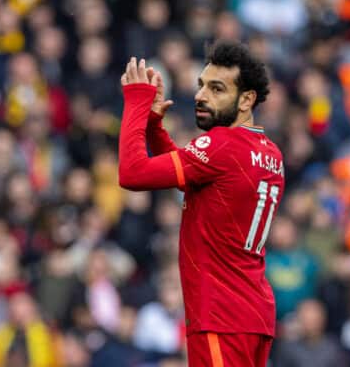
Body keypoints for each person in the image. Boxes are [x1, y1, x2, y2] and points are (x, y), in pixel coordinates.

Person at [118, 42, 285, 366]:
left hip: (220, 316)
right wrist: (154, 126)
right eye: (201, 85)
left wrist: (136, 102)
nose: (200, 96)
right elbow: (188, 174)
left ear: (247, 99)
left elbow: (132, 173)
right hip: (253, 315)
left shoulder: (222, 146)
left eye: (217, 89)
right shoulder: (270, 153)